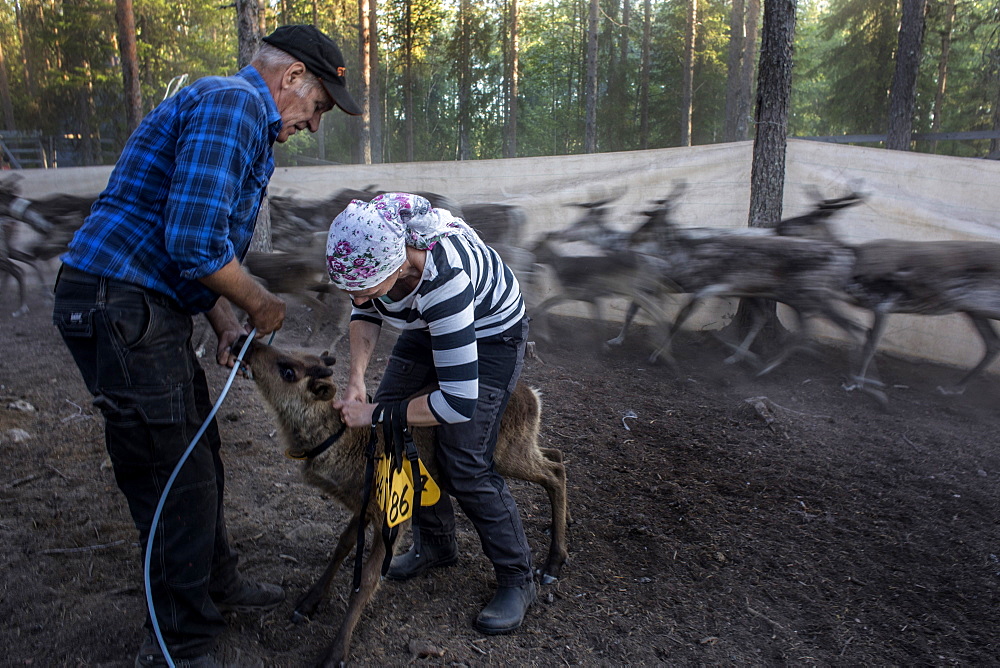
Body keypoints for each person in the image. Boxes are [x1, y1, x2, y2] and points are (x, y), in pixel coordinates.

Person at [51, 25, 361, 668]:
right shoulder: (236, 105)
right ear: (293, 78)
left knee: (197, 451)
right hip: (122, 302)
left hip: (138, 300)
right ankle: (179, 645)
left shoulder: (233, 111)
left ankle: (215, 585)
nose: (312, 123)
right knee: (173, 473)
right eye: (318, 107)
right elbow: (194, 242)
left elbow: (185, 247)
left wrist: (220, 319)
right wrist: (257, 303)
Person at [327, 192, 536, 635]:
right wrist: (357, 380)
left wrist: (378, 411)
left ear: (397, 266)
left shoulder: (445, 280)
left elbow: (457, 403)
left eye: (360, 286)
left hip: (490, 332)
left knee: (464, 459)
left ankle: (518, 577)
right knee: (393, 440)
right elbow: (363, 307)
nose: (353, 294)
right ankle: (436, 545)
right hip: (428, 324)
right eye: (346, 285)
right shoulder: (374, 245)